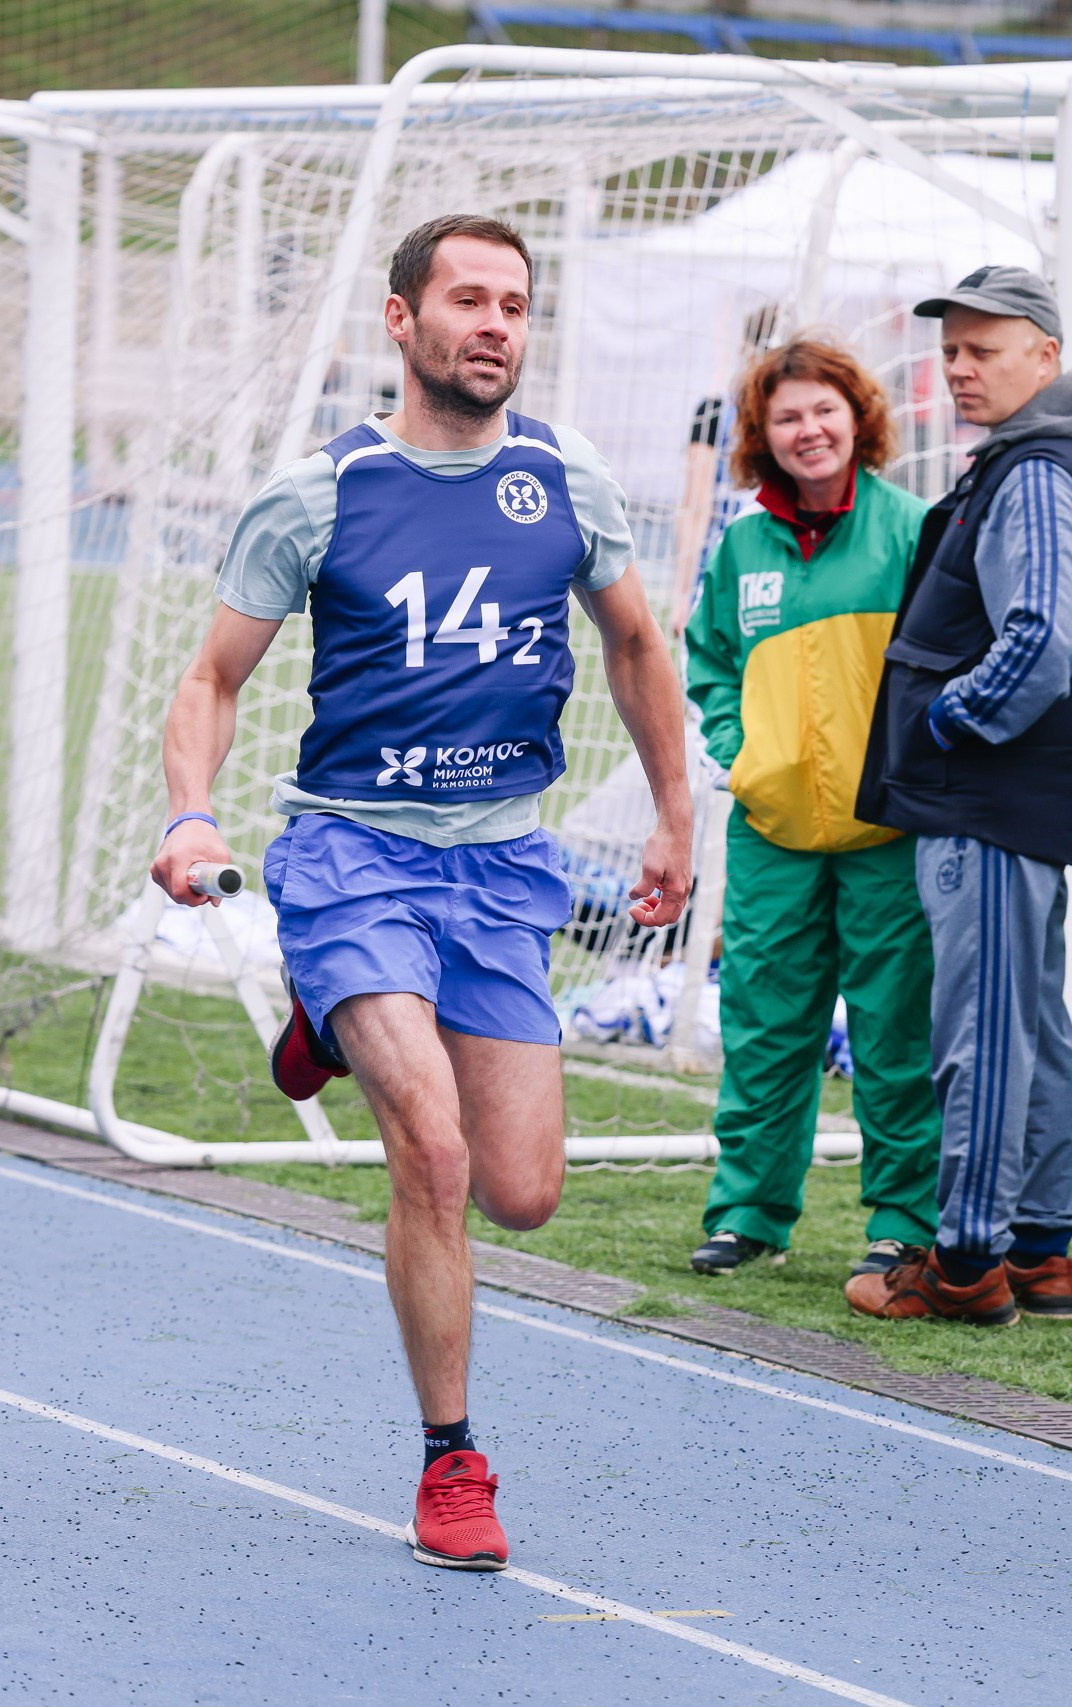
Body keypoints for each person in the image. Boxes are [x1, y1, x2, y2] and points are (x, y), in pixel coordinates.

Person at [150, 214, 691, 1572]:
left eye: (516, 302)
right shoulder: (319, 493)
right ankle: (452, 1457)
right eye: (469, 299)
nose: (497, 322)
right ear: (403, 321)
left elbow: (633, 642)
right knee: (432, 1156)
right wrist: (190, 813)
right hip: (352, 857)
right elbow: (212, 678)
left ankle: (331, 1023)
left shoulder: (566, 476)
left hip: (506, 866)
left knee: (522, 1193)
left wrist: (678, 811)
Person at [842, 265, 1072, 1326]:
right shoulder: (1037, 461)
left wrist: (945, 725)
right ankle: (1042, 1253)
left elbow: (1041, 640)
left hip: (989, 797)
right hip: (1005, 798)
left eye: (983, 348)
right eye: (950, 350)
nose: (958, 368)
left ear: (1045, 358)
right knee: (1031, 1025)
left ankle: (966, 1261)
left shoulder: (1040, 470)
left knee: (984, 1028)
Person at [681, 335, 942, 1283]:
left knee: (895, 1032)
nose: (808, 430)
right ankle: (750, 1212)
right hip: (772, 834)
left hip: (888, 831)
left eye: (824, 410)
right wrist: (738, 747)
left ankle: (906, 1219)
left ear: (858, 416)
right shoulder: (741, 544)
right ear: (764, 434)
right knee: (764, 1025)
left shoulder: (913, 528)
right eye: (787, 416)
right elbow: (707, 659)